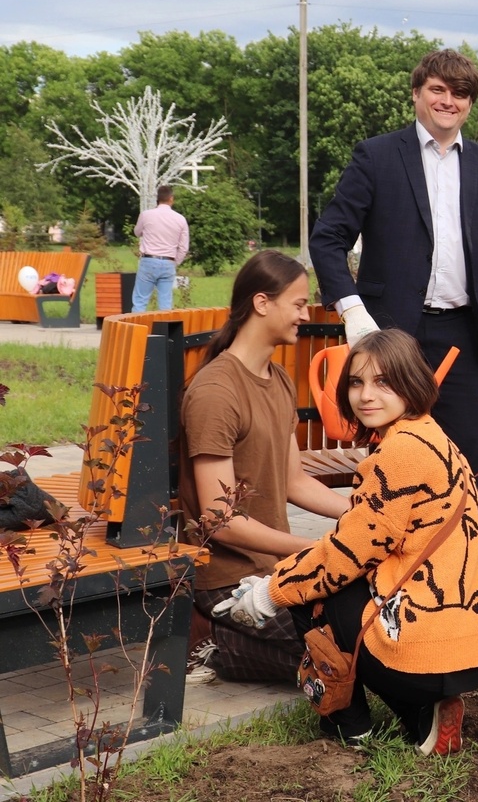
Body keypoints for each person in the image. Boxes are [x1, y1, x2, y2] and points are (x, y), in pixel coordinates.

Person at [213, 329, 478, 749]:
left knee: (310, 593)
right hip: (465, 644)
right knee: (321, 579)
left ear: (411, 383)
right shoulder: (432, 437)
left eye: (383, 382)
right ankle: (424, 718)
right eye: (356, 382)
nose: (366, 395)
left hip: (426, 651)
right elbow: (366, 542)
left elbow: (344, 556)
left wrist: (269, 593)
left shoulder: (400, 454)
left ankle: (349, 726)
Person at [310, 48, 478, 476]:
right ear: (416, 93)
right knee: (394, 467)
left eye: (460, 93)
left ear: (470, 104)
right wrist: (352, 310)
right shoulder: (377, 157)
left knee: (466, 464)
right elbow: (328, 238)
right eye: (438, 90)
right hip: (391, 335)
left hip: (467, 339)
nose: (448, 101)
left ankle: (458, 544)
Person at [179, 250, 352, 682]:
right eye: (297, 303)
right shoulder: (217, 392)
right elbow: (220, 520)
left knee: (370, 627)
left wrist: (358, 518)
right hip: (228, 579)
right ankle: (214, 639)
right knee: (343, 654)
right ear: (262, 303)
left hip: (273, 569)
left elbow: (294, 480)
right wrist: (314, 550)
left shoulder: (278, 380)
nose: (304, 313)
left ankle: (229, 646)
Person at [132, 185, 189, 312]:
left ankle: (136, 329)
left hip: (149, 260)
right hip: (168, 261)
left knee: (140, 301)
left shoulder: (146, 215)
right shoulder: (180, 219)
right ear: (171, 199)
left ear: (157, 199)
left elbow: (137, 232)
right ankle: (165, 331)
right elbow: (184, 247)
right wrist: (175, 262)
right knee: (165, 303)